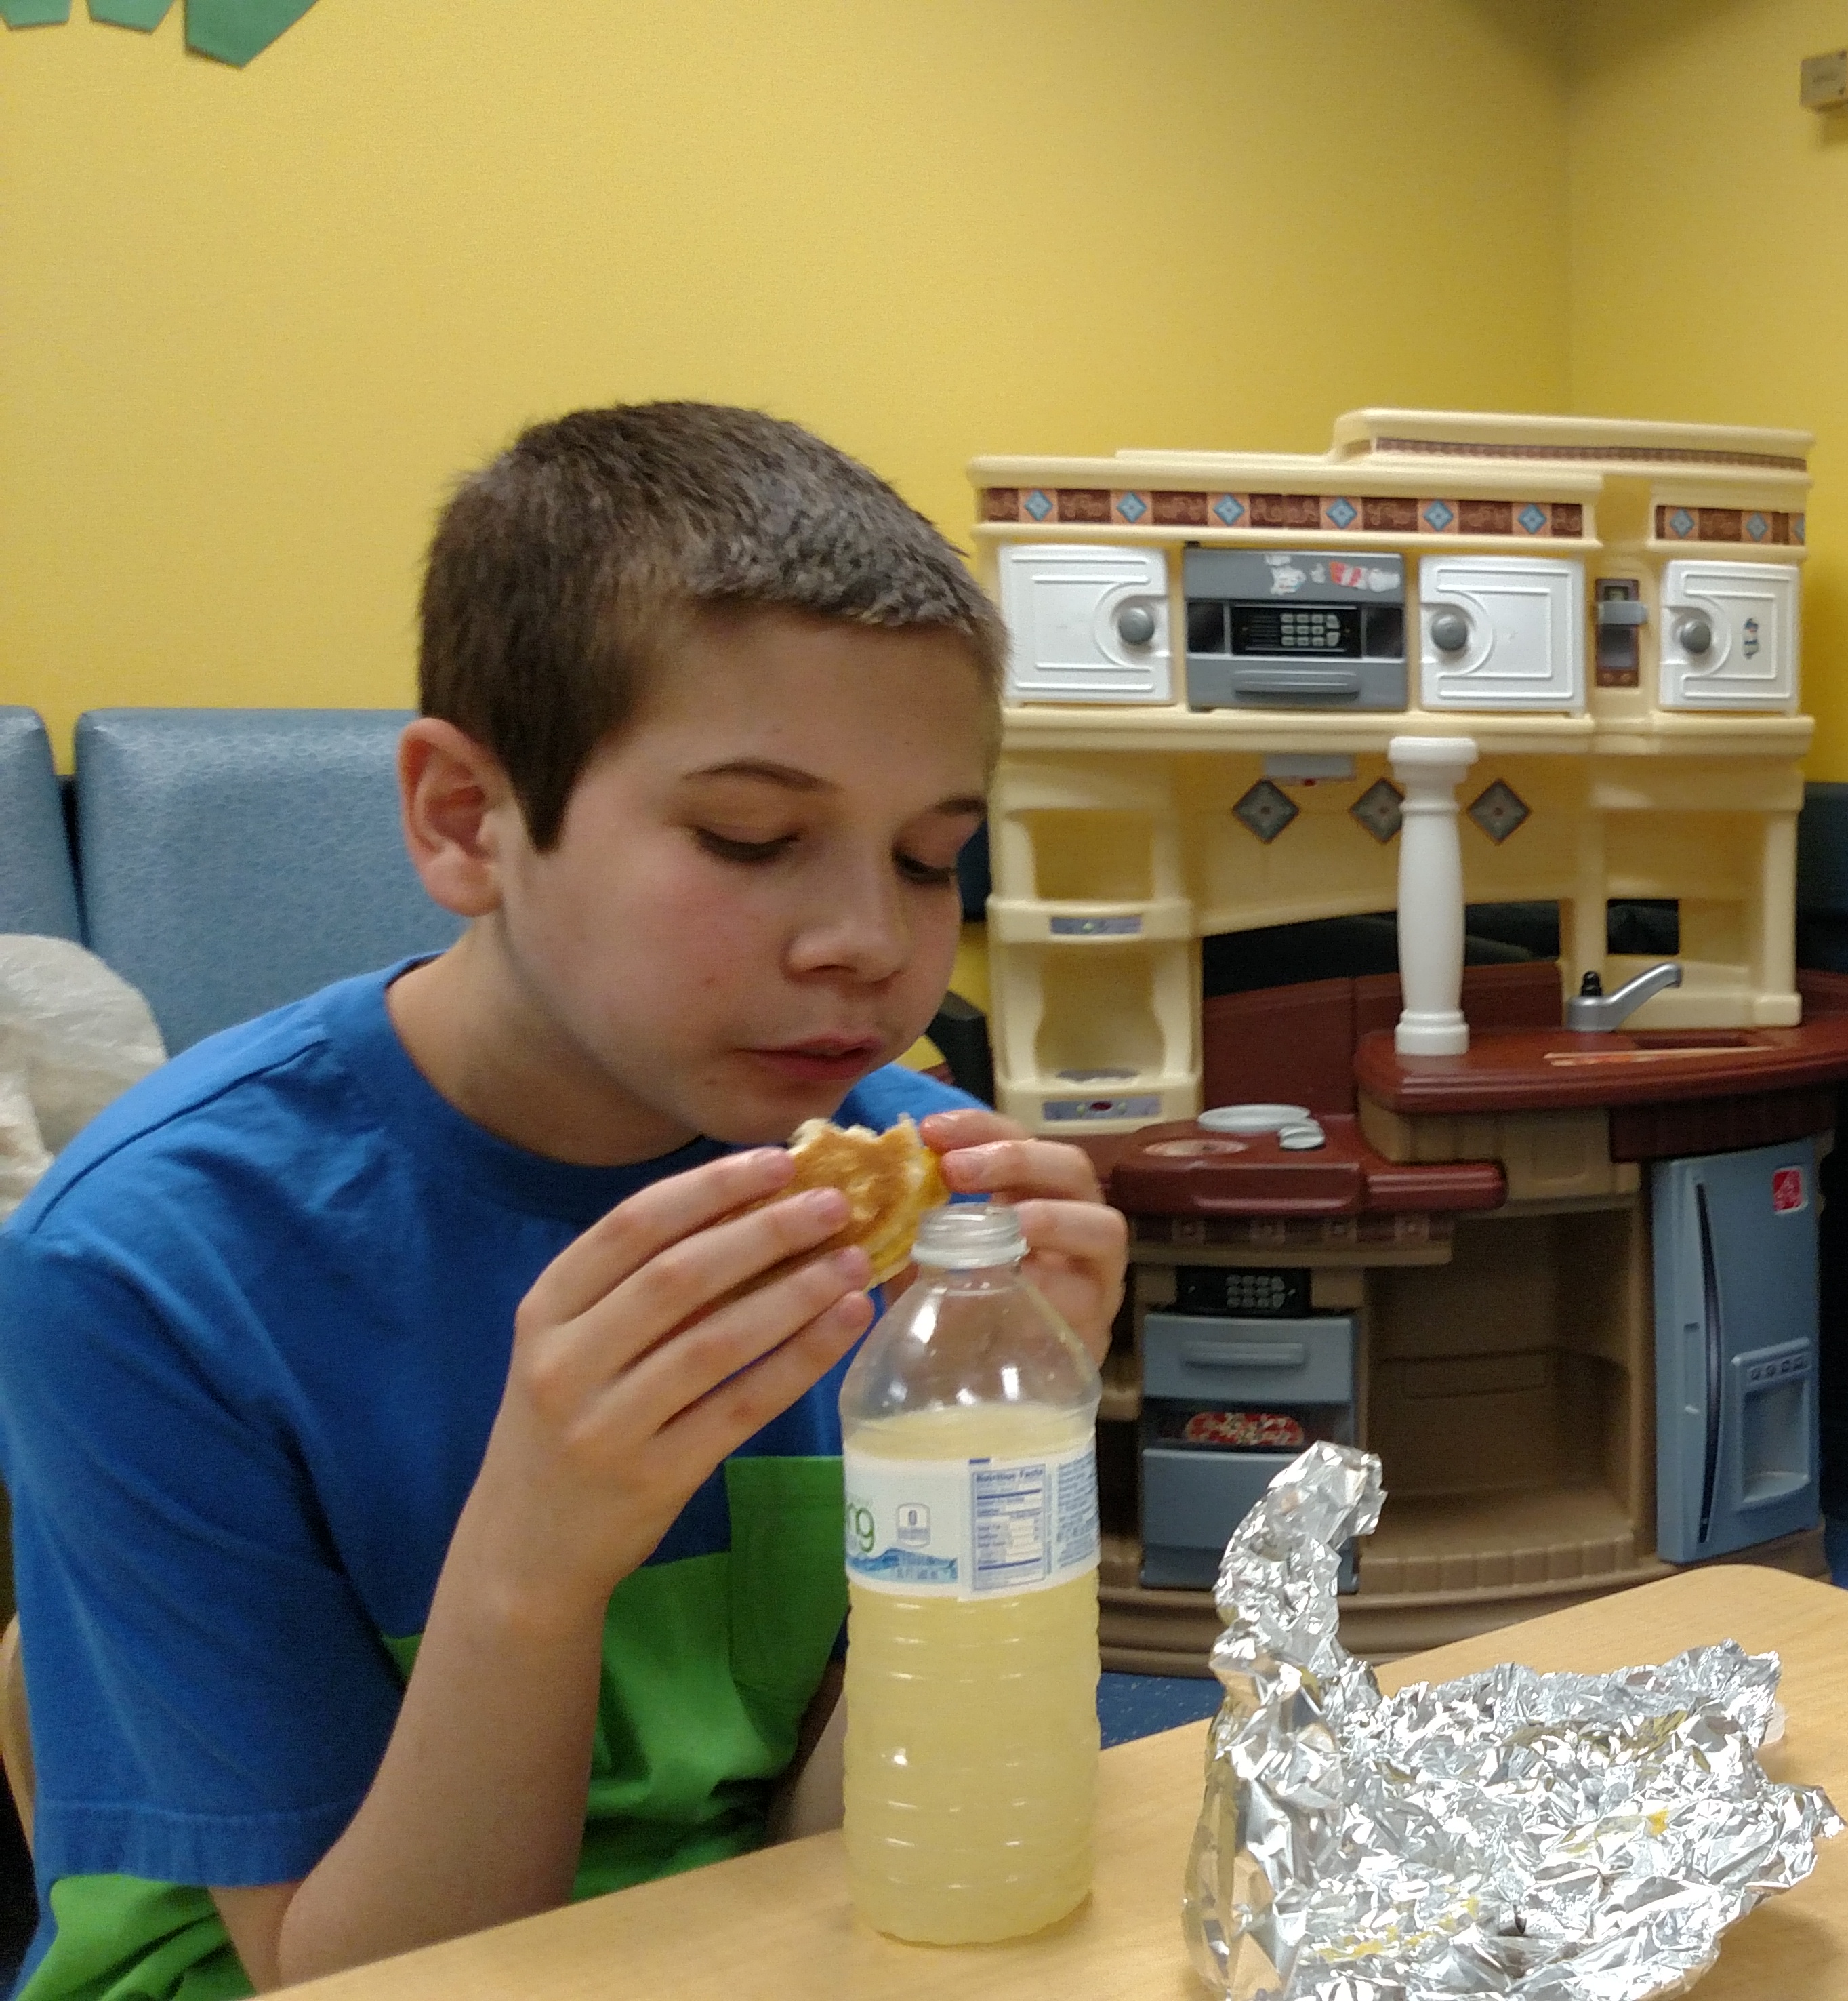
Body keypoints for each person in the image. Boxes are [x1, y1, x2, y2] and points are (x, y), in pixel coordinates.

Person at [0, 403, 1128, 1997]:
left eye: (932, 858)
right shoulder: (153, 1266)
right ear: (466, 819)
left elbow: (852, 1854)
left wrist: (998, 1459)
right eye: (751, 838)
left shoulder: (910, 1184)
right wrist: (535, 1559)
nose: (870, 944)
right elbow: (368, 1976)